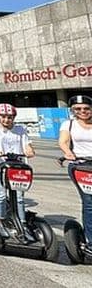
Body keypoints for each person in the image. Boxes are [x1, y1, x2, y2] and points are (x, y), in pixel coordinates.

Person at [0, 103, 35, 238]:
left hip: (17, 167)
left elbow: (27, 146)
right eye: (3, 117)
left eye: (10, 117)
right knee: (0, 194)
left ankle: (22, 223)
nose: (6, 120)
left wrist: (29, 152)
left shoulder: (20, 129)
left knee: (19, 197)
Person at [58, 95, 92, 246]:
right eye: (78, 109)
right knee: (89, 201)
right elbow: (63, 141)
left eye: (86, 108)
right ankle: (90, 240)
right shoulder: (69, 124)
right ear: (73, 110)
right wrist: (67, 152)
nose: (83, 111)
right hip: (81, 166)